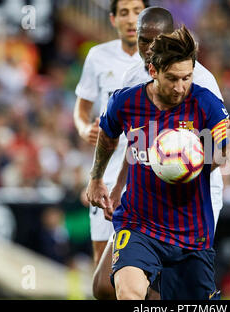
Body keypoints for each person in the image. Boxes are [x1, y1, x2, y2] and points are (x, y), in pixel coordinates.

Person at [86, 26, 230, 300]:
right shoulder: (126, 102)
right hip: (139, 225)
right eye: (172, 78)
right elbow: (107, 135)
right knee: (127, 293)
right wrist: (96, 178)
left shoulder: (205, 105)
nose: (180, 87)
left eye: (186, 78)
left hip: (191, 234)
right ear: (153, 71)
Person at [73, 0, 150, 296]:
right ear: (112, 19)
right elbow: (81, 110)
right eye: (124, 12)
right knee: (103, 267)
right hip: (106, 171)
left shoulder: (162, 62)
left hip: (147, 171)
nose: (132, 20)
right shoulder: (97, 57)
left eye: (138, 12)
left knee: (145, 264)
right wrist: (84, 130)